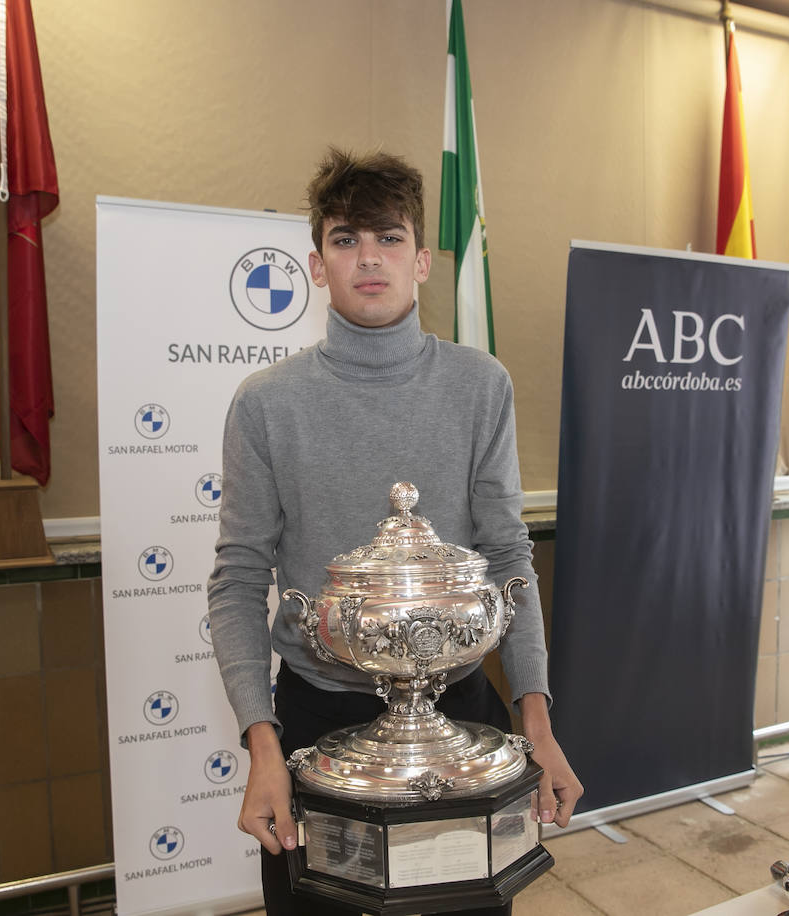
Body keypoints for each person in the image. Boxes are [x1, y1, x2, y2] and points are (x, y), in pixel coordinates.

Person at [207, 147, 582, 915]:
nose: (367, 258)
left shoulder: (481, 385)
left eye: (388, 237)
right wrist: (264, 747)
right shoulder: (267, 403)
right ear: (317, 264)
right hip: (318, 718)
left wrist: (536, 721)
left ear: (423, 262)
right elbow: (240, 579)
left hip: (462, 713)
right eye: (346, 240)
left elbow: (509, 555)